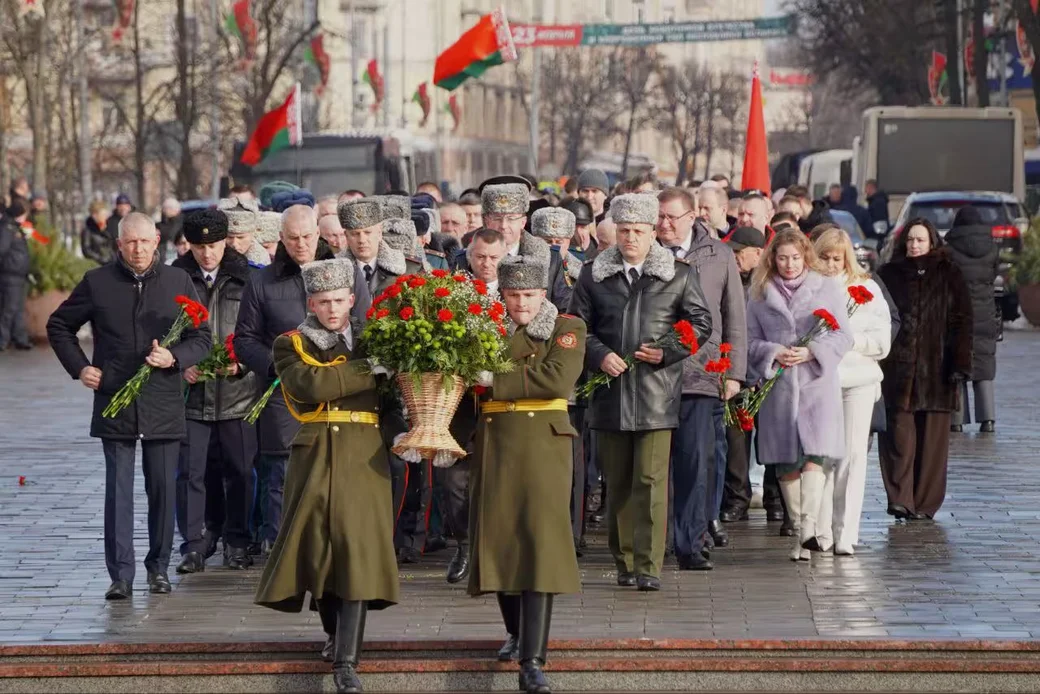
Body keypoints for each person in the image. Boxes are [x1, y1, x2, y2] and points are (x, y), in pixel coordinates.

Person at [255, 257, 403, 694]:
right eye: (322, 302)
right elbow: (310, 387)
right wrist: (365, 368)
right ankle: (334, 636)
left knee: (356, 553)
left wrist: (409, 434)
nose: (331, 309)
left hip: (365, 454)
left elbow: (392, 400)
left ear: (352, 299)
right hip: (316, 453)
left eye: (339, 300)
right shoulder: (291, 343)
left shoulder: (378, 339)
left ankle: (347, 660)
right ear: (310, 303)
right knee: (320, 553)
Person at [47, 212, 212, 599]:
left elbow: (202, 337)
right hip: (115, 400)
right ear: (119, 245)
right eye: (129, 243)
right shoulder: (98, 282)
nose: (137, 249)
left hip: (162, 400)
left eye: (144, 241)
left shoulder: (177, 281)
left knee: (161, 489)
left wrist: (174, 356)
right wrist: (81, 368)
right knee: (118, 491)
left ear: (157, 241)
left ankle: (158, 568)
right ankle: (120, 576)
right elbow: (59, 326)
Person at [569, 194, 712, 591]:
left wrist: (668, 351)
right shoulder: (593, 275)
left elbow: (700, 323)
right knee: (617, 482)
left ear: (653, 232)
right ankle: (625, 561)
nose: (630, 237)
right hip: (609, 394)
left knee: (650, 480)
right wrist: (599, 356)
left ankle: (649, 566)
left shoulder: (678, 275)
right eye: (624, 230)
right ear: (614, 232)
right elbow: (577, 327)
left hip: (655, 393)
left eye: (638, 231)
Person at [469, 255, 585, 693]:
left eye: (530, 296)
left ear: (544, 295)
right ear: (503, 294)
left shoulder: (566, 328)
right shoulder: (486, 328)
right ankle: (515, 633)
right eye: (514, 296)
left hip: (543, 444)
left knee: (539, 547)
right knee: (501, 542)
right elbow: (465, 386)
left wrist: (495, 378)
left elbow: (556, 378)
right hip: (495, 439)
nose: (521, 304)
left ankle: (533, 658)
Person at [233, 206, 339, 554]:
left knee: (332, 466)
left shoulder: (340, 273)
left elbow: (363, 326)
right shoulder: (262, 282)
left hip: (335, 388)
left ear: (318, 234)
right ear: (280, 238)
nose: (301, 244)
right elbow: (245, 338)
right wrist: (278, 365)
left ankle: (329, 542)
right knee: (279, 469)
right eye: (292, 238)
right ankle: (279, 544)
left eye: (307, 236)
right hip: (283, 393)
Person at [745, 229, 852, 561]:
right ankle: (800, 531)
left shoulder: (826, 287)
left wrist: (812, 352)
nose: (789, 265)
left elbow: (842, 335)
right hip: (778, 384)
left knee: (813, 457)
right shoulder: (760, 292)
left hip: (816, 383)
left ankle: (808, 529)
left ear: (805, 256)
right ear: (772, 259)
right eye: (782, 258)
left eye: (795, 258)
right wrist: (773, 352)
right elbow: (749, 339)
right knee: (786, 462)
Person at [656, 188, 746, 569]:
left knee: (696, 462)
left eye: (672, 217)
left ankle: (690, 544)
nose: (664, 224)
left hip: (701, 374)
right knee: (656, 465)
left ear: (693, 216)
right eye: (659, 217)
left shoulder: (718, 256)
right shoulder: (649, 254)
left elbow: (735, 319)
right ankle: (654, 541)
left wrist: (734, 373)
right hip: (654, 374)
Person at [171, 209, 259, 572]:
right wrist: (180, 362)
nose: (207, 253)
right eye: (199, 245)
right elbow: (160, 329)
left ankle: (238, 540)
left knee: (240, 471)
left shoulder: (250, 278)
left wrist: (242, 364)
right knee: (192, 473)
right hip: (191, 397)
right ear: (189, 245)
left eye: (214, 244)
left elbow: (263, 332)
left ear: (227, 241)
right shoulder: (174, 278)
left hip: (238, 393)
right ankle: (195, 543)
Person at [878, 218, 972, 520]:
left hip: (937, 371)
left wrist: (959, 364)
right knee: (898, 438)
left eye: (920, 240)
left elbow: (962, 320)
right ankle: (900, 498)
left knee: (932, 443)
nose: (914, 245)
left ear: (932, 242)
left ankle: (925, 504)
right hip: (898, 370)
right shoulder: (889, 275)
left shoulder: (950, 274)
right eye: (910, 240)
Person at [813, 228, 891, 556]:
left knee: (854, 456)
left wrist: (849, 341)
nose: (832, 265)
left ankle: (846, 531)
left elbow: (882, 342)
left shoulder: (867, 289)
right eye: (826, 258)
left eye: (837, 259)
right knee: (823, 457)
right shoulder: (807, 287)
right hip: (820, 380)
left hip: (859, 379)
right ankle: (821, 530)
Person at [719, 227, 770, 523]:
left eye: (742, 252)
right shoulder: (729, 278)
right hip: (737, 370)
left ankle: (775, 497)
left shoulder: (767, 283)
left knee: (772, 438)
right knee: (736, 439)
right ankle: (737, 497)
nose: (736, 257)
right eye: (734, 252)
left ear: (759, 253)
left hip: (766, 370)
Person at [944, 206, 1000, 434]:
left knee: (958, 364)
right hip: (985, 312)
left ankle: (957, 420)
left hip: (958, 313)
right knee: (984, 365)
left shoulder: (949, 250)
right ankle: (988, 419)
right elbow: (993, 275)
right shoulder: (992, 249)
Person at [338, 198, 408, 296]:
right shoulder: (336, 271)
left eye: (367, 232)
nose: (362, 240)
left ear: (379, 233)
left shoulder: (405, 268)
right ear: (346, 236)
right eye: (355, 234)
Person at [0, 201, 32, 351]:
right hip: (10, 274)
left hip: (19, 274)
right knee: (9, 309)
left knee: (18, 309)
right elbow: (2, 249)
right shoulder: (7, 228)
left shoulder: (15, 228)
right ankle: (2, 340)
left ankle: (20, 338)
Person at [220, 197, 271, 267]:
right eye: (229, 237)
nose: (234, 244)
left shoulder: (261, 260)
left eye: (240, 237)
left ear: (252, 234)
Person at [82, 200, 115, 265]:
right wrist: (101, 259)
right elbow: (86, 250)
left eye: (106, 215)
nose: (105, 217)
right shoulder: (88, 230)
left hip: (111, 264)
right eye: (103, 214)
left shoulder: (107, 228)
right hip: (98, 266)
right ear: (94, 215)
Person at [156, 198, 182, 264]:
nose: (164, 211)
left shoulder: (181, 224)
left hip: (175, 255)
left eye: (167, 208)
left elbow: (171, 235)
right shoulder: (159, 225)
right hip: (162, 257)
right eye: (164, 208)